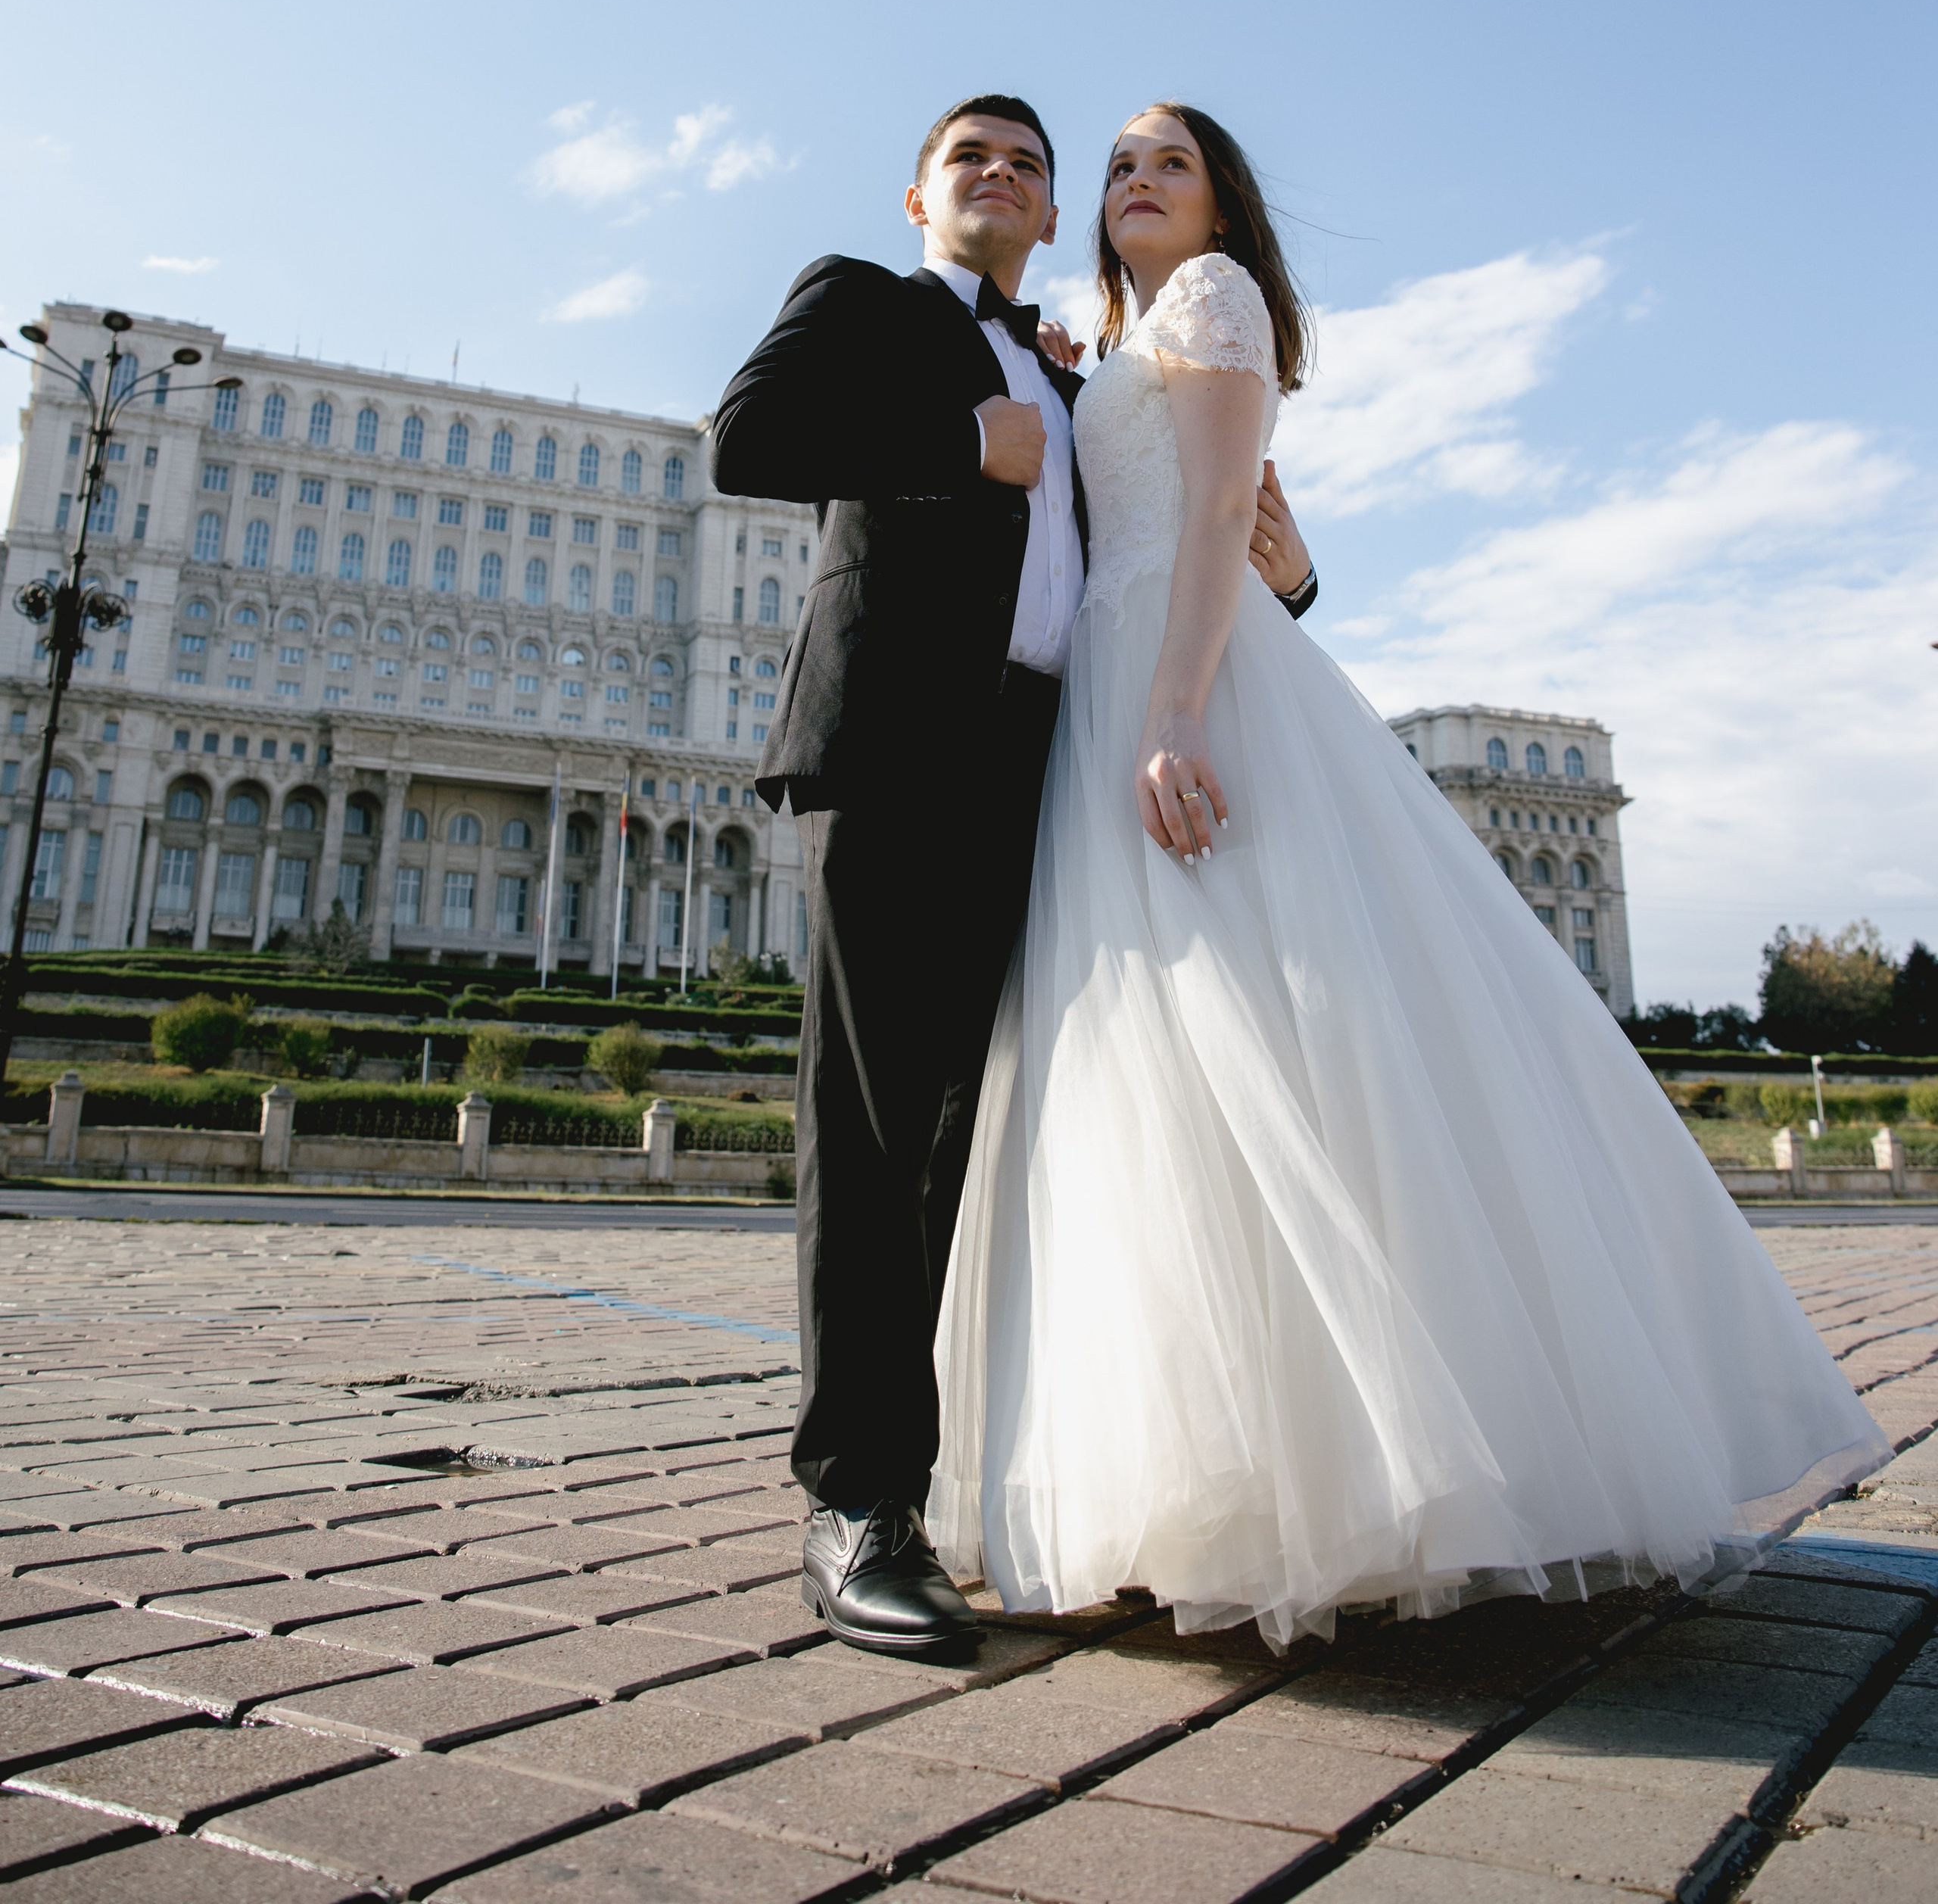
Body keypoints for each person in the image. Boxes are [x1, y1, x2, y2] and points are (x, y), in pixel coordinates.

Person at [930, 102, 1890, 1651]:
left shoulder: (1214, 302)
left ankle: (1352, 1474)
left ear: (1221, 201)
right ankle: (1189, 1474)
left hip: (1175, 691)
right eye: (1113, 166)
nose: (1129, 181)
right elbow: (1223, 529)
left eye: (1162, 161)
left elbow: (1211, 539)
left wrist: (1175, 707)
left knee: (1258, 1054)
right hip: (1113, 689)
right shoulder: (1122, 335)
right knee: (1151, 1079)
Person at [709, 95, 1316, 1656]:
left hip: (1040, 765)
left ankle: (987, 1476)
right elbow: (745, 440)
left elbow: (1181, 547)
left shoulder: (1070, 363)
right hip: (897, 754)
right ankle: (851, 1506)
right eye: (971, 155)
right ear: (918, 191)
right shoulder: (859, 298)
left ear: (1048, 223)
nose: (1002, 175)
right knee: (867, 1121)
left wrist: (1292, 575)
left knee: (981, 1144)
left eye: (1026, 165)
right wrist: (952, 443)